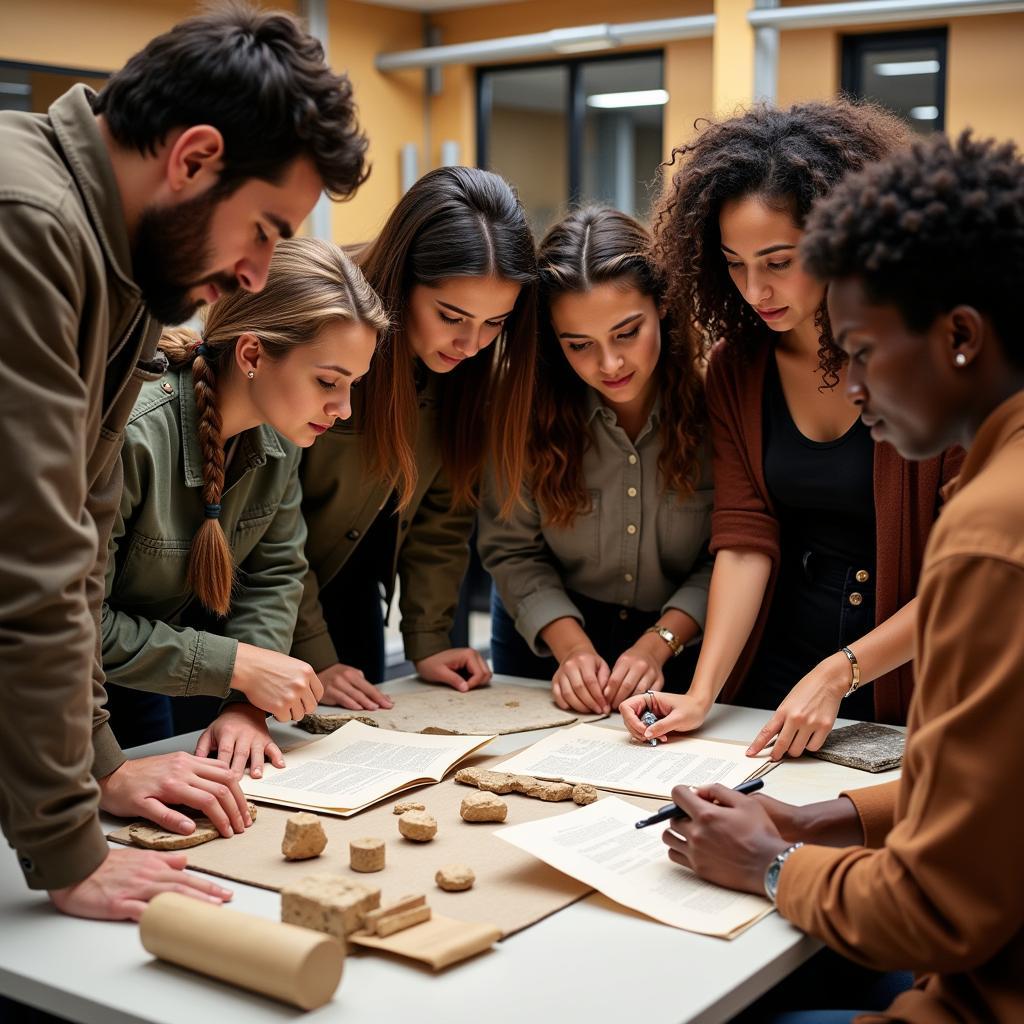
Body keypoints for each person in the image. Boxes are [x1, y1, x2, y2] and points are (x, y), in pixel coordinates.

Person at [0, 4, 367, 920]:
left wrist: (102, 771)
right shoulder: (30, 226)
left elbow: (75, 557)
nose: (254, 275)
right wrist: (69, 849)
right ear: (194, 159)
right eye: (266, 229)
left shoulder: (121, 270)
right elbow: (32, 568)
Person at [655, 130, 1024, 1024]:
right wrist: (820, 821)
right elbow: (987, 795)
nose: (848, 385)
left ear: (961, 337)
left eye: (860, 350)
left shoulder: (990, 531)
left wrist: (769, 863)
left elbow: (936, 912)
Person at [623, 100, 962, 758]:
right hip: (784, 672)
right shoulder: (739, 367)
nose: (756, 290)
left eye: (779, 261)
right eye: (735, 264)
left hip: (915, 673)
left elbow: (974, 575)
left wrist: (844, 670)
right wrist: (705, 692)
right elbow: (747, 537)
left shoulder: (942, 362)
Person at [102, 238, 386, 793]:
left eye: (354, 383)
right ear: (252, 354)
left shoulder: (282, 440)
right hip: (62, 693)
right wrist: (238, 667)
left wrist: (245, 705)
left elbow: (275, 575)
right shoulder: (132, 436)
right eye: (328, 381)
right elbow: (73, 624)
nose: (344, 408)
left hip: (151, 673)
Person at [292, 166, 538, 709]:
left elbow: (443, 516)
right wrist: (313, 654)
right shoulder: (328, 322)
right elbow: (269, 521)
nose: (472, 343)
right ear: (402, 278)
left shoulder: (469, 367)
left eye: (496, 322)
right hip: (262, 598)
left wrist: (428, 640)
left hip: (354, 596)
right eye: (451, 316)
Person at [478, 207, 712, 713]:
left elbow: (733, 552)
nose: (609, 364)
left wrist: (659, 643)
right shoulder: (521, 407)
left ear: (664, 307)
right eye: (579, 345)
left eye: (627, 332)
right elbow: (512, 549)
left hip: (685, 642)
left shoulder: (718, 400)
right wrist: (572, 649)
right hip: (545, 642)